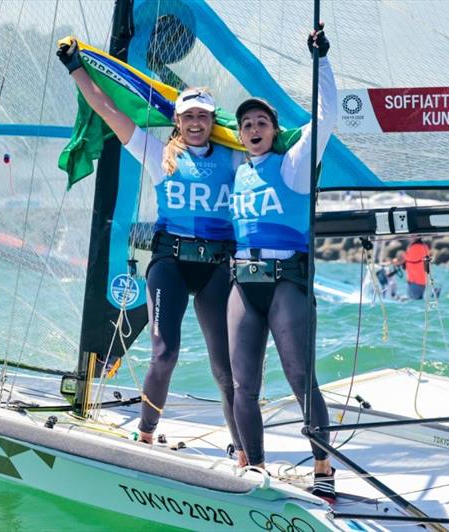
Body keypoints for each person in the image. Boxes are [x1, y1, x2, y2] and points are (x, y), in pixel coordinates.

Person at [57, 39, 246, 466]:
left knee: (225, 366)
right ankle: (145, 435)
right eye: (188, 116)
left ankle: (242, 447)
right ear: (176, 119)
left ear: (212, 121)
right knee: (165, 353)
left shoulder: (235, 158)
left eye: (203, 116)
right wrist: (76, 69)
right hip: (170, 264)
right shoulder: (158, 153)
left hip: (217, 266)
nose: (196, 123)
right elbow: (108, 110)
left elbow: (274, 141)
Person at [227, 25, 336, 502]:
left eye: (262, 123)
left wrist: (321, 62)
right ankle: (254, 468)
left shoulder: (292, 164)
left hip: (286, 282)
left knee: (298, 377)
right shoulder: (237, 173)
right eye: (246, 124)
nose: (254, 129)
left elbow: (326, 117)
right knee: (242, 385)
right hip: (241, 285)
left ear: (274, 131)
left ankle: (323, 465)